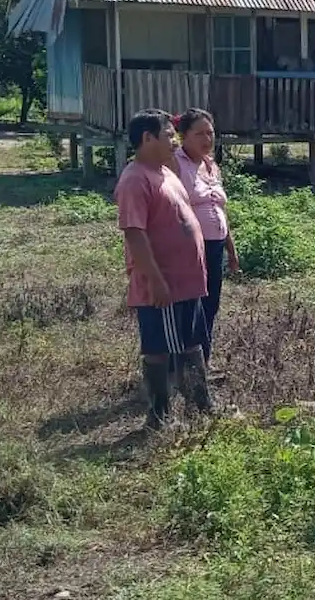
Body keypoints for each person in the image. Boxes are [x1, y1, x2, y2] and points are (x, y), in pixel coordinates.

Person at [114, 109, 214, 428]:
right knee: (160, 348)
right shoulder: (134, 179)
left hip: (186, 282)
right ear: (147, 138)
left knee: (192, 341)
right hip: (164, 285)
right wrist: (155, 281)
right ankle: (159, 416)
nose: (175, 140)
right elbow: (134, 234)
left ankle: (202, 404)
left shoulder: (166, 172)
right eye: (168, 135)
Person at [174, 108, 240, 369]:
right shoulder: (175, 164)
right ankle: (187, 365)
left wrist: (231, 251)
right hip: (189, 247)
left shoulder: (211, 165)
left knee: (211, 305)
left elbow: (220, 211)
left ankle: (204, 361)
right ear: (183, 136)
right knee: (193, 307)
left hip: (215, 246)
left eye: (210, 132)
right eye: (199, 133)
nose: (206, 138)